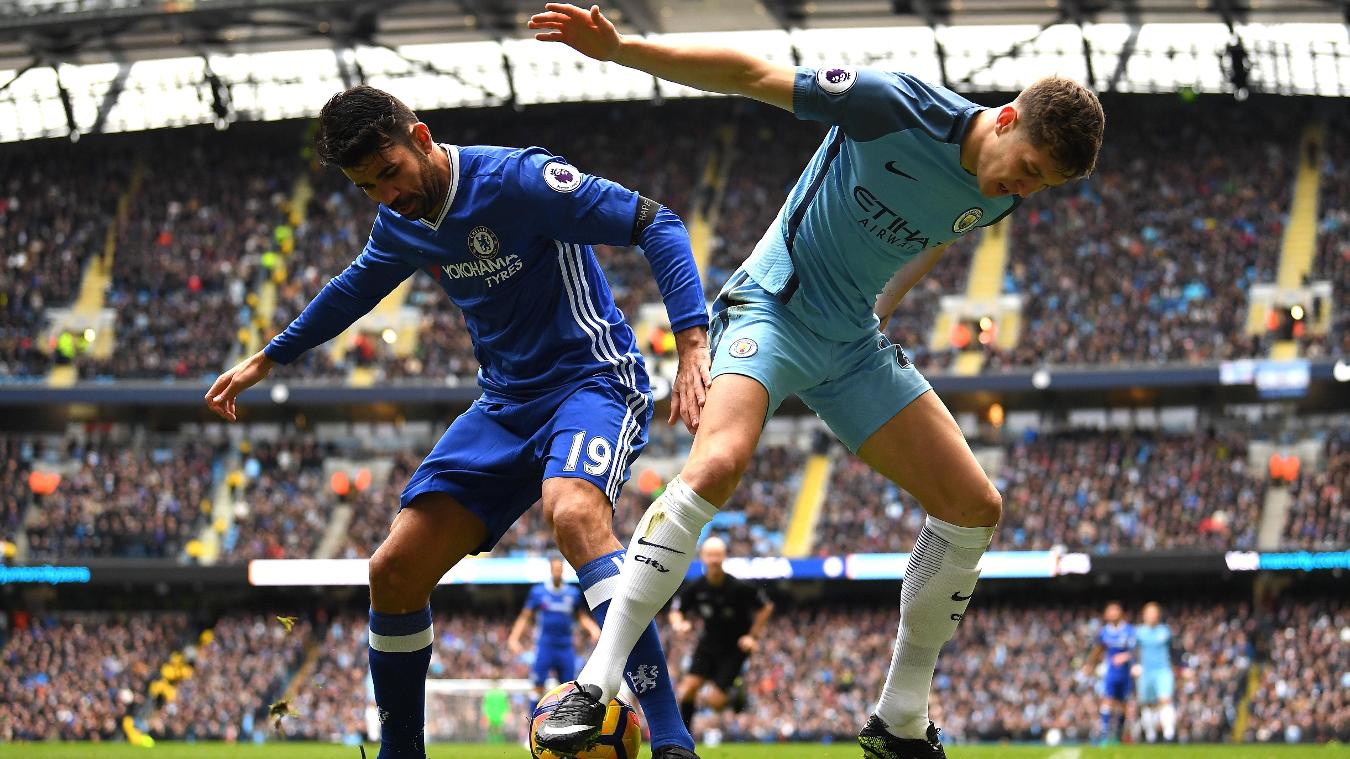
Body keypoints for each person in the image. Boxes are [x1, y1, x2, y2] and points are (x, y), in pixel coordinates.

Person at [526, 5, 1105, 757]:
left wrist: (878, 314)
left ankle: (900, 717)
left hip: (852, 339)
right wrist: (622, 50)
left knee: (973, 505)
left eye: (1042, 186)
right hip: (773, 306)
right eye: (1028, 168)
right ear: (1005, 119)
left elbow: (936, 234)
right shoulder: (893, 105)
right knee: (718, 463)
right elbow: (750, 74)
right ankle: (595, 684)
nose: (1024, 189)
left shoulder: (998, 193)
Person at [203, 84, 709, 759]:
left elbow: (657, 221)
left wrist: (692, 344)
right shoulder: (399, 222)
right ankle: (400, 753)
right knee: (394, 568)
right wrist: (270, 357)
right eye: (365, 187)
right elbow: (351, 289)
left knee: (573, 513)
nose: (386, 195)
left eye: (388, 173)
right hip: (503, 403)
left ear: (420, 138)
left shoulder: (518, 179)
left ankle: (672, 738)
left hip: (590, 379)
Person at [667, 536, 773, 732]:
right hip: (708, 644)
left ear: (724, 557)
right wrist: (679, 623)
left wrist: (753, 636)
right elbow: (676, 610)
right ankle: (684, 737)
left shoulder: (739, 587)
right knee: (687, 690)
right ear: (703, 557)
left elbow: (765, 607)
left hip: (735, 648)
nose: (714, 559)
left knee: (714, 702)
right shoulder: (696, 587)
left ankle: (736, 695)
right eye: (710, 555)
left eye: (718, 555)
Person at [508, 556, 602, 716]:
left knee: (568, 689)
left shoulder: (572, 594)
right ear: (551, 570)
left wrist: (593, 629)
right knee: (538, 687)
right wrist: (513, 638)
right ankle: (531, 726)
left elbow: (581, 617)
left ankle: (563, 730)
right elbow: (525, 616)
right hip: (545, 646)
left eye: (560, 569)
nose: (557, 572)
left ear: (562, 570)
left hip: (566, 648)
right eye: (555, 569)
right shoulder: (539, 592)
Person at [1083, 601, 1136, 746]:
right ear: (1106, 614)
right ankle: (1105, 734)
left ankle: (1119, 734)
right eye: (1110, 610)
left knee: (1123, 704)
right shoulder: (1104, 632)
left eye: (1115, 610)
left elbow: (1135, 650)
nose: (1113, 613)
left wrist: (1126, 656)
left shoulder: (1130, 630)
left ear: (1121, 613)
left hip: (1126, 673)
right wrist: (1089, 664)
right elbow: (1098, 649)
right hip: (1111, 672)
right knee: (1107, 700)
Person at [1133, 601, 1177, 743]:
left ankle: (1169, 734)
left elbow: (1174, 650)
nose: (1152, 616)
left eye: (1154, 613)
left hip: (1163, 670)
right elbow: (1133, 651)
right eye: (1149, 613)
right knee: (1148, 704)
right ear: (1144, 615)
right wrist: (1135, 665)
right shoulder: (1139, 632)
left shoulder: (1165, 631)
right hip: (1146, 672)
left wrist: (1180, 666)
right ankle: (1151, 735)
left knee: (1165, 700)